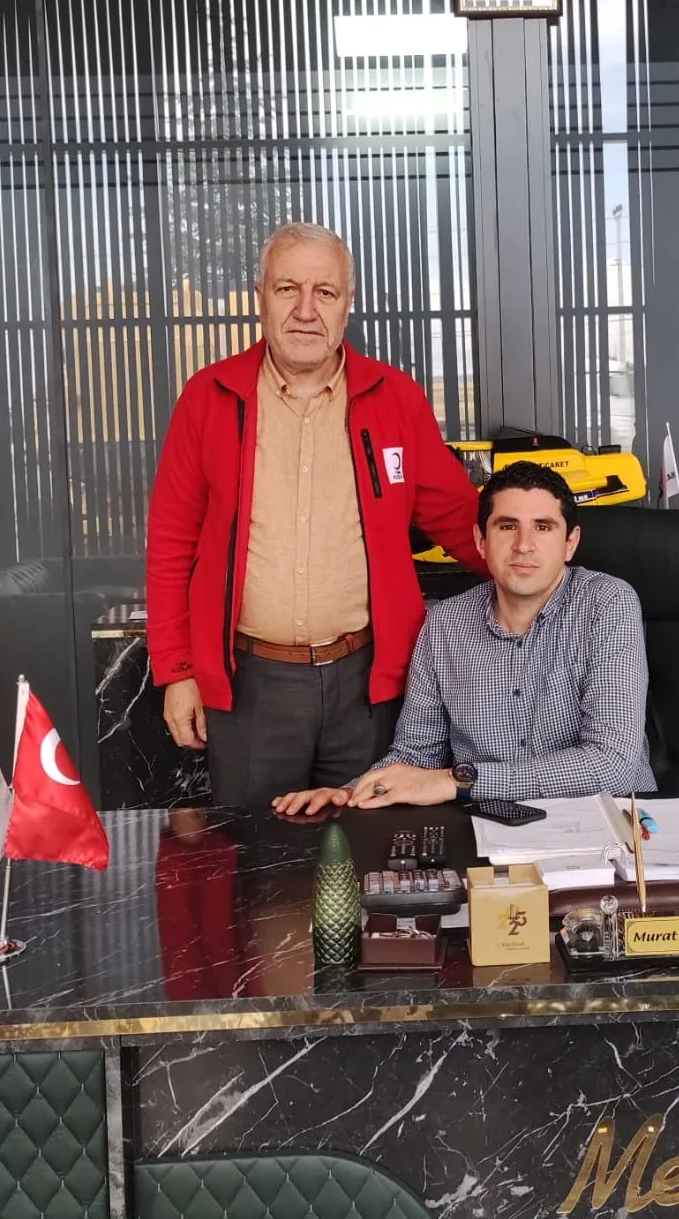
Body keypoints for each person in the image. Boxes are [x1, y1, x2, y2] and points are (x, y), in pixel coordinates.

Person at [145, 221, 484, 807]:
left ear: (347, 304)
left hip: (369, 683)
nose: (306, 310)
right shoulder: (208, 397)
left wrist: (549, 582)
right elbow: (171, 543)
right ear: (260, 299)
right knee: (257, 856)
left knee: (369, 848)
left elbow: (459, 518)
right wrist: (177, 671)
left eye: (325, 292)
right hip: (251, 685)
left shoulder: (396, 399)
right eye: (287, 289)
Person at [274, 462, 653, 816]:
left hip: (607, 827)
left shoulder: (607, 605)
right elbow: (415, 754)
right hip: (488, 827)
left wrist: (457, 782)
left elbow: (612, 766)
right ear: (481, 540)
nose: (524, 544)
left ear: (570, 542)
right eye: (507, 526)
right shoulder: (445, 624)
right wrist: (350, 793)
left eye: (543, 527)